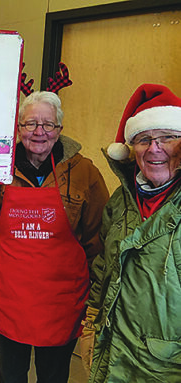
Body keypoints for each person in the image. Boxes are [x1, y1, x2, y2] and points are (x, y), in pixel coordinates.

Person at [0, 91, 109, 383]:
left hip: (62, 300)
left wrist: (99, 293)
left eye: (48, 124)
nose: (39, 132)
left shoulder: (84, 172)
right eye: (31, 124)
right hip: (9, 296)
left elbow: (98, 238)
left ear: (60, 130)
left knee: (53, 376)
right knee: (12, 375)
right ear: (19, 129)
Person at [84, 83, 181, 382]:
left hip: (167, 367)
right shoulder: (120, 200)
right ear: (131, 151)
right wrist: (91, 320)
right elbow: (104, 267)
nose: (154, 148)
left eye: (168, 137)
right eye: (143, 139)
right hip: (113, 353)